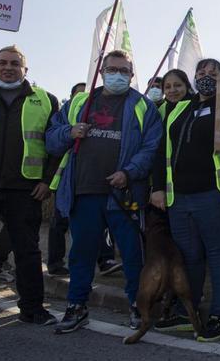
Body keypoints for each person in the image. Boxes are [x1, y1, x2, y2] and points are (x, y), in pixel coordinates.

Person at [47, 50, 162, 334]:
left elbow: (152, 147)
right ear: (101, 72)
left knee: (132, 255)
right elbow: (52, 138)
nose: (118, 75)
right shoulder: (79, 103)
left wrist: (129, 172)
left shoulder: (143, 106)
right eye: (112, 69)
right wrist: (69, 132)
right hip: (83, 191)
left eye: (124, 71)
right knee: (81, 254)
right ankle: (76, 306)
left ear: (132, 75)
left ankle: (138, 306)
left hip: (123, 195)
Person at [150, 59, 220, 341]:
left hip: (216, 195)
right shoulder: (181, 108)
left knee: (219, 255)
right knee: (189, 258)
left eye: (213, 73)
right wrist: (158, 188)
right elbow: (162, 152)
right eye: (201, 72)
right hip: (179, 199)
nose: (206, 77)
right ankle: (187, 313)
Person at [0, 45, 61, 331]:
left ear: (25, 70)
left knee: (27, 252)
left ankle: (32, 309)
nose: (8, 67)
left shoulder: (46, 100)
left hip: (25, 188)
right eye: (2, 62)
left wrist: (47, 181)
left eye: (14, 63)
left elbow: (56, 146)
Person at [46, 82, 121, 278]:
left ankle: (105, 260)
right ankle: (55, 263)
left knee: (101, 225)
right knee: (60, 223)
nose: (83, 98)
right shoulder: (68, 113)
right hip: (65, 182)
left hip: (93, 180)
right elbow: (52, 142)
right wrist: (70, 133)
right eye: (78, 95)